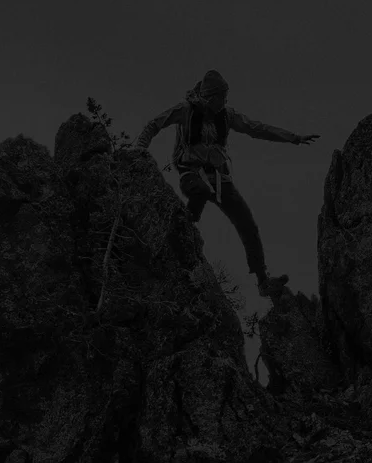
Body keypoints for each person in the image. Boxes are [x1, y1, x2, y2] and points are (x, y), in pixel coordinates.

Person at [134, 70, 319, 297]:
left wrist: (293, 137)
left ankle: (263, 282)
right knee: (200, 191)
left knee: (247, 225)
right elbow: (155, 123)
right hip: (191, 173)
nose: (226, 101)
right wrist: (139, 149)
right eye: (223, 96)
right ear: (211, 97)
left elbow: (256, 128)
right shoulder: (185, 110)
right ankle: (184, 228)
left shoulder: (227, 115)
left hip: (220, 179)